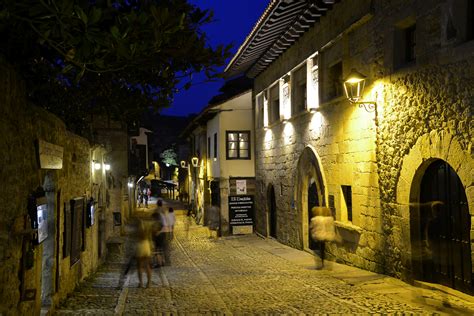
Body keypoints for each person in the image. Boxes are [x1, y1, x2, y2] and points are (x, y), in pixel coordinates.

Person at [135, 218, 152, 288]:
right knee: (147, 265)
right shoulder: (147, 228)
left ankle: (141, 283)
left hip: (140, 246)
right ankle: (148, 283)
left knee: (139, 266)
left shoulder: (138, 229)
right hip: (146, 245)